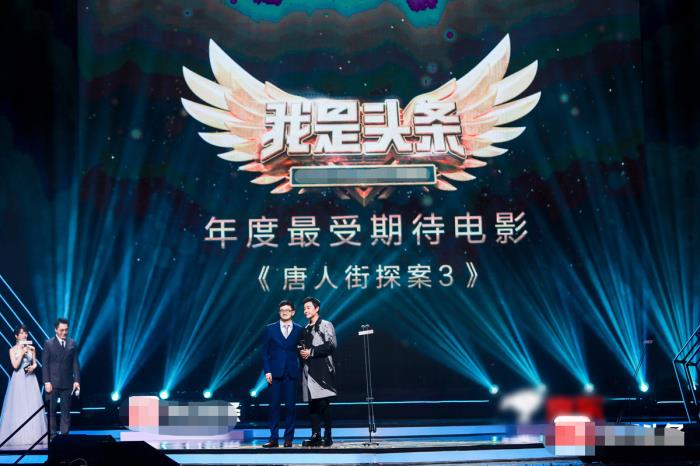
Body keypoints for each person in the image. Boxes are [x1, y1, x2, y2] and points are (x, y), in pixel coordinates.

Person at [261, 300, 303, 448]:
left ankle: (288, 439)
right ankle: (273, 438)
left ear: (293, 312)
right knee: (274, 407)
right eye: (282, 310)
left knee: (291, 407)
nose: (284, 312)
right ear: (279, 312)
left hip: (291, 373)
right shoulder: (270, 329)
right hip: (274, 373)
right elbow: (264, 352)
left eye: (287, 310)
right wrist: (267, 371)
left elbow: (301, 351)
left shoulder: (299, 329)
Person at [0, 325, 48, 449]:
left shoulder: (32, 348)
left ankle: (34, 436)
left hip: (30, 379)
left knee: (32, 406)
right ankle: (18, 436)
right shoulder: (12, 350)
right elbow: (15, 366)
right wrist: (21, 352)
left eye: (25, 333)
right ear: (16, 336)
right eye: (21, 333)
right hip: (18, 380)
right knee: (19, 407)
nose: (24, 335)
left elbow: (35, 364)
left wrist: (33, 367)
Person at [299, 296, 337, 447]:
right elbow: (302, 348)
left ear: (317, 308)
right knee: (312, 405)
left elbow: (332, 345)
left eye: (308, 307)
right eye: (304, 308)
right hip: (308, 369)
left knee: (323, 404)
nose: (305, 310)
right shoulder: (305, 329)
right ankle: (316, 435)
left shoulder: (325, 324)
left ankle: (328, 435)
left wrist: (311, 351)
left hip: (322, 368)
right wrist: (301, 352)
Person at [42, 318, 80, 437]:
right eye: (61, 330)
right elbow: (45, 364)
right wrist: (46, 381)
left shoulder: (72, 343)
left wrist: (77, 381)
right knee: (51, 411)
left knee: (66, 412)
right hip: (52, 383)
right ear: (56, 330)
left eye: (66, 330)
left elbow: (75, 363)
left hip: (67, 383)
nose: (64, 332)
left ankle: (64, 436)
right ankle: (52, 435)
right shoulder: (48, 343)